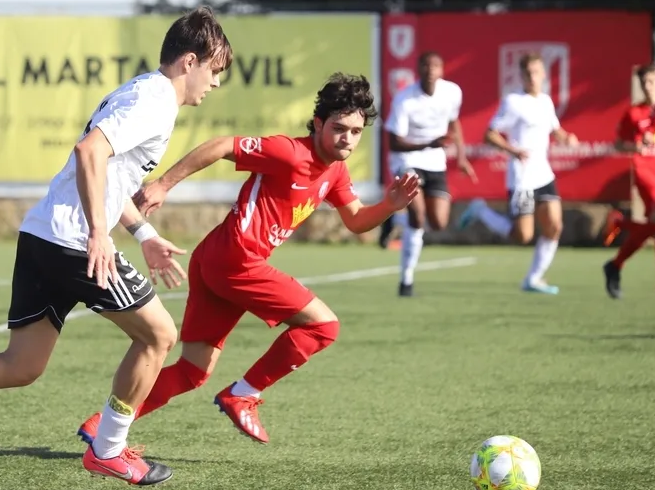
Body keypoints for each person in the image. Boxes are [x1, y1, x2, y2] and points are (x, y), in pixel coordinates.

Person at [0, 6, 233, 487]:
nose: (216, 82)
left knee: (21, 365)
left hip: (43, 234)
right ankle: (109, 450)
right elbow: (89, 153)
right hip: (73, 241)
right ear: (190, 61)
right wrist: (98, 233)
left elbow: (106, 177)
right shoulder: (155, 100)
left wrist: (144, 235)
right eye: (215, 70)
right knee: (158, 335)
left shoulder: (141, 91)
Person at [75, 72, 419, 446]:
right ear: (318, 123)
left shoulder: (335, 170)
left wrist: (389, 205)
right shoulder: (289, 152)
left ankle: (101, 426)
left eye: (355, 131)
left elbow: (356, 220)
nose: (347, 139)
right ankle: (244, 394)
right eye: (339, 128)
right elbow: (221, 145)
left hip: (215, 258)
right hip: (236, 259)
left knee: (192, 371)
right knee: (324, 326)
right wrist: (162, 184)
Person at [458, 53, 579, 294]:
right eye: (528, 73)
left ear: (543, 74)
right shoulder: (513, 102)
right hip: (522, 177)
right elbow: (489, 134)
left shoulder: (546, 101)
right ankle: (480, 210)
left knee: (554, 226)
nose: (532, 77)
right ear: (521, 76)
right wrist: (513, 150)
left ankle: (533, 279)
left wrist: (567, 137)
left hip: (544, 175)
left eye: (536, 72)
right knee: (522, 235)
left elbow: (555, 129)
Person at [385, 52, 476, 297]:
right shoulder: (405, 99)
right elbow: (394, 143)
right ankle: (406, 280)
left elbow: (454, 123)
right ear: (419, 70)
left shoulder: (452, 92)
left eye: (435, 66)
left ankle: (394, 221)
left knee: (438, 223)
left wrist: (462, 157)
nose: (430, 70)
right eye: (425, 66)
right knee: (418, 215)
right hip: (407, 161)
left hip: (436, 163)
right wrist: (428, 144)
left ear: (442, 70)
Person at [602, 65, 655, 298]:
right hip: (646, 173)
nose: (648, 87)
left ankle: (620, 228)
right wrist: (636, 146)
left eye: (652, 81)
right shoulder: (635, 113)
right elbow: (619, 144)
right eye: (644, 83)